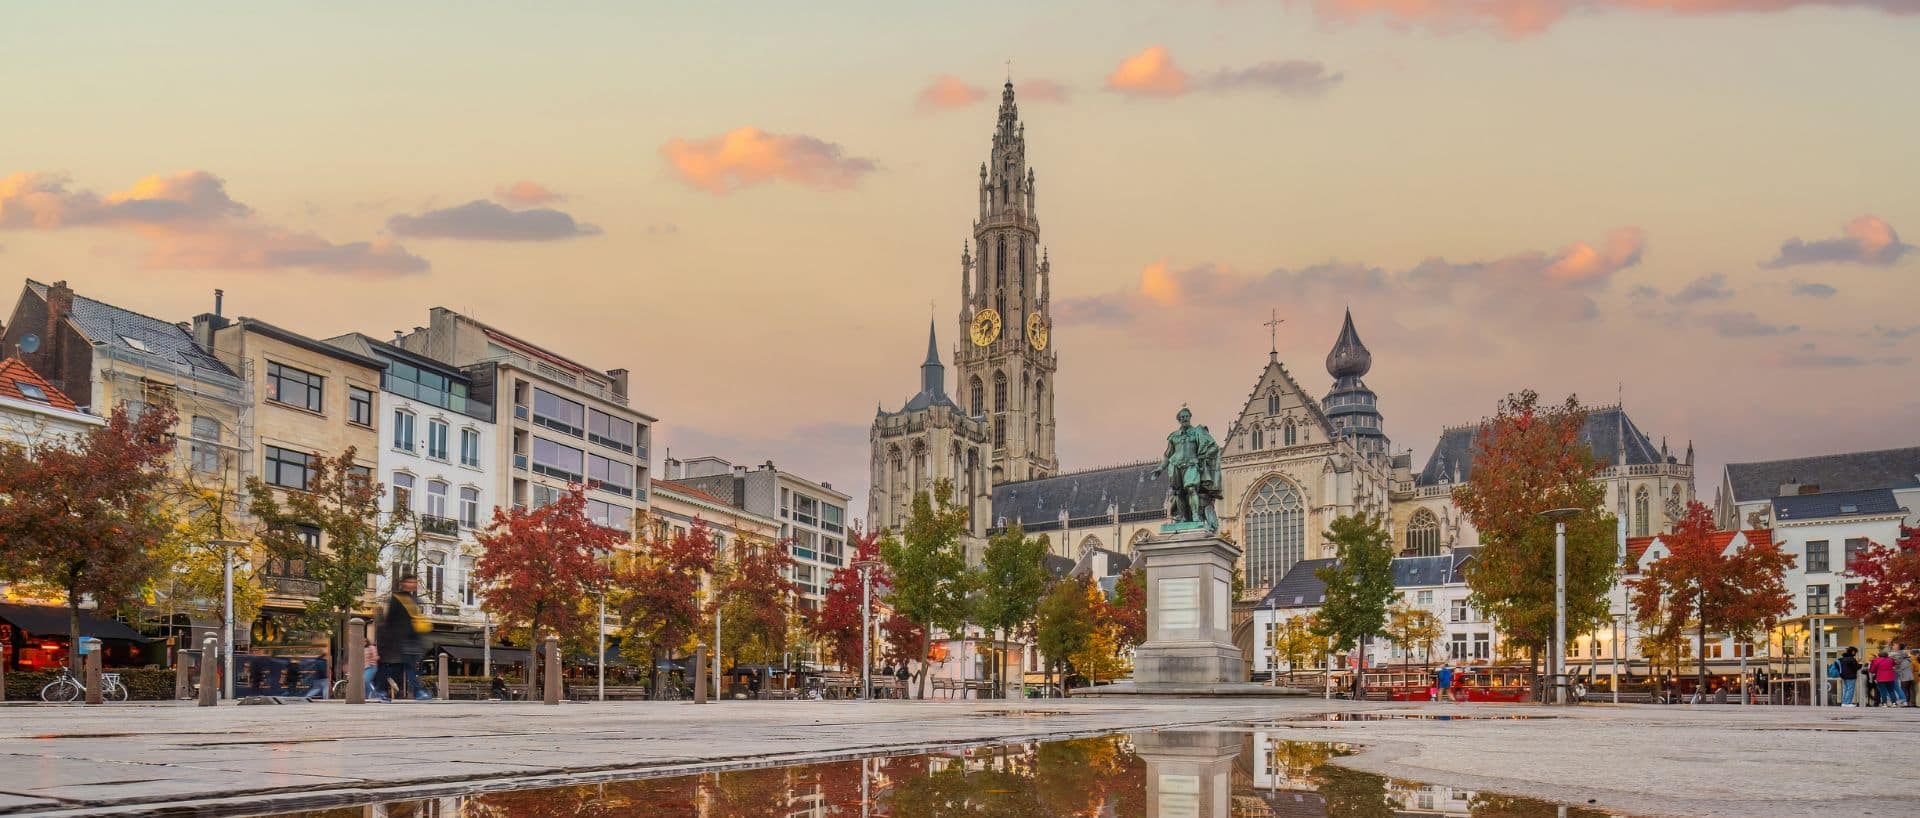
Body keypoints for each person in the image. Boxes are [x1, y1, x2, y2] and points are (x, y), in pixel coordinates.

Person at [375, 572, 433, 701]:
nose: (413, 584)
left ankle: (415, 691)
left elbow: (416, 622)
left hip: (411, 641)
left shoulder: (415, 600)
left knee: (408, 667)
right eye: (410, 581)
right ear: (403, 583)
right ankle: (381, 689)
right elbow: (389, 621)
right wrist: (386, 642)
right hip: (398, 641)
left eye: (415, 582)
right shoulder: (396, 599)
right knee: (394, 668)